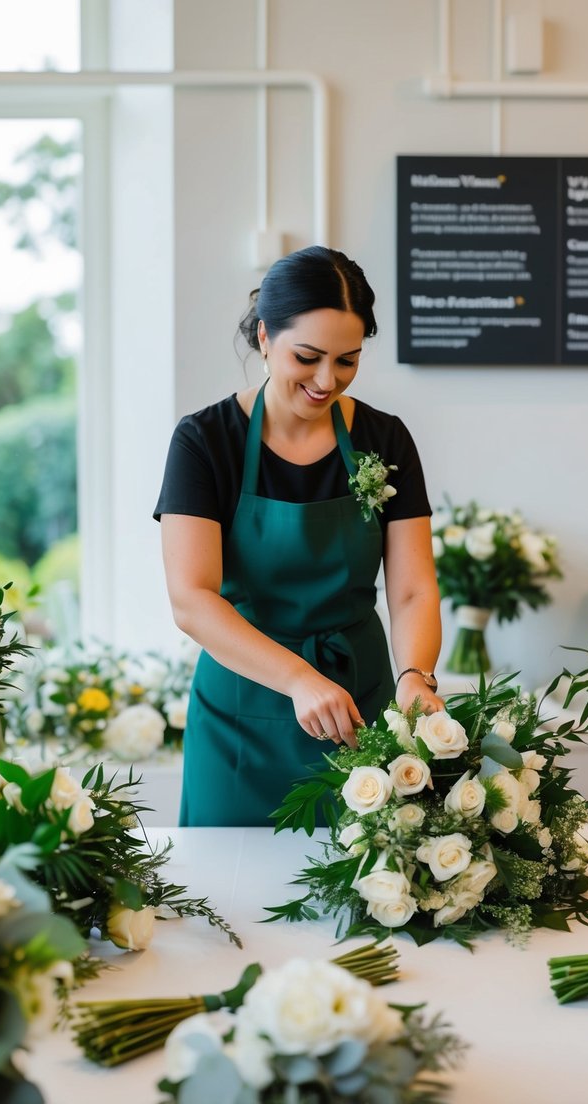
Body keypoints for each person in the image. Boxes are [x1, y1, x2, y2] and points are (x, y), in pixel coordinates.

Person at [154, 245, 443, 826]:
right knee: (225, 901)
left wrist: (415, 676)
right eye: (307, 357)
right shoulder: (205, 441)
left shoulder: (386, 440)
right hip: (243, 711)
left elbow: (411, 591)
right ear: (264, 336)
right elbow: (193, 599)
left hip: (361, 714)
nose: (325, 380)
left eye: (347, 361)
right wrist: (299, 678)